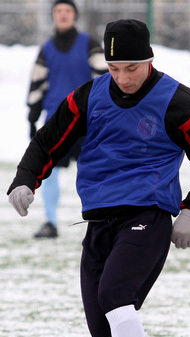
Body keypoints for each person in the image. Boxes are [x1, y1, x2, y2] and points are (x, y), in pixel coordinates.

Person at [8, 19, 190, 337]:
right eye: (114, 69)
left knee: (115, 296)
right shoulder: (89, 97)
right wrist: (24, 179)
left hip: (149, 215)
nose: (123, 78)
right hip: (100, 221)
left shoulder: (177, 101)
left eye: (132, 67)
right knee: (102, 332)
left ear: (148, 60)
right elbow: (47, 140)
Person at [28, 0, 107, 239]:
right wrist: (32, 115)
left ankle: (101, 219)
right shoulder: (46, 49)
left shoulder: (90, 44)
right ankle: (50, 222)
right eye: (58, 11)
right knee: (48, 171)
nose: (63, 15)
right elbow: (38, 82)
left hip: (88, 122)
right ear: (54, 16)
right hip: (55, 121)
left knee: (95, 169)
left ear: (75, 15)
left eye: (67, 11)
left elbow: (104, 78)